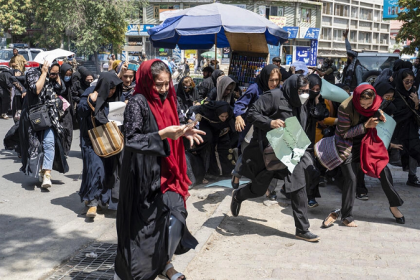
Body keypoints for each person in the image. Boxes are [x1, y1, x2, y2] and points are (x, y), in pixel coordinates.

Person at [114, 59, 204, 280]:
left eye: (167, 83)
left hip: (169, 171)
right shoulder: (138, 102)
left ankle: (164, 263)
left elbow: (178, 123)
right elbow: (132, 139)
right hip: (143, 176)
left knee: (176, 216)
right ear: (147, 81)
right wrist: (164, 134)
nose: (164, 89)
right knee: (142, 229)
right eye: (159, 85)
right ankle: (130, 272)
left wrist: (185, 132)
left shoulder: (171, 98)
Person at [231, 75, 320, 242]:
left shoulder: (302, 103)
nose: (305, 95)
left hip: (289, 148)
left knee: (298, 184)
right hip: (267, 151)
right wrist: (269, 122)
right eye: (301, 91)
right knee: (258, 189)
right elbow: (251, 113)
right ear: (293, 88)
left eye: (307, 92)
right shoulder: (273, 97)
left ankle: (302, 229)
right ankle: (238, 196)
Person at [318, 84, 404, 228]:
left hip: (368, 144)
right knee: (351, 179)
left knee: (383, 169)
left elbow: (373, 111)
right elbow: (343, 133)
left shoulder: (376, 102)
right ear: (357, 99)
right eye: (362, 104)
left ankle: (394, 206)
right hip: (347, 146)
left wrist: (378, 114)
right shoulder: (345, 107)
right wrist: (365, 126)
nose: (365, 107)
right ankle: (346, 216)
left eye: (368, 104)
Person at [231, 64, 281, 200]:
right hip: (252, 130)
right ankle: (236, 174)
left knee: (273, 158)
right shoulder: (255, 89)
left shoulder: (279, 91)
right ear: (265, 78)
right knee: (247, 154)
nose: (274, 83)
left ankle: (269, 189)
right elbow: (240, 104)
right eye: (271, 80)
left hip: (271, 129)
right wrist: (238, 116)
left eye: (277, 80)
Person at [77, 72, 123, 218]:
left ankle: (105, 200)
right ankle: (92, 203)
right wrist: (91, 101)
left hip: (111, 140)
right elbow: (80, 111)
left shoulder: (117, 96)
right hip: (92, 140)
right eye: (109, 88)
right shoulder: (90, 93)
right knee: (96, 170)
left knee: (110, 171)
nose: (111, 92)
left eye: (114, 89)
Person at [19, 61, 69, 188]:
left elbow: (61, 89)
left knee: (49, 143)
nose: (54, 75)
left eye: (57, 73)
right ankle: (40, 170)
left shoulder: (52, 77)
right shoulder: (32, 73)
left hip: (50, 116)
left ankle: (47, 174)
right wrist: (44, 73)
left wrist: (55, 76)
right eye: (53, 72)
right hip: (34, 116)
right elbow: (36, 89)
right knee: (36, 146)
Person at [187, 100, 235, 180]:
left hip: (221, 128)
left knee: (225, 146)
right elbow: (193, 109)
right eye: (222, 116)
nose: (224, 118)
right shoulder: (208, 109)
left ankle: (226, 171)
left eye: (225, 116)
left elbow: (230, 121)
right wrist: (193, 119)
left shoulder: (229, 111)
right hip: (207, 125)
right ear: (217, 113)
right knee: (208, 140)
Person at [304, 74, 329, 207]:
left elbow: (321, 114)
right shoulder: (301, 99)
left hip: (310, 142)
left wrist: (317, 101)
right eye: (312, 88)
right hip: (297, 139)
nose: (315, 91)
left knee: (311, 169)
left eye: (318, 89)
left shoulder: (318, 100)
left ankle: (311, 197)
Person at [392, 69, 420, 186]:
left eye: (411, 81)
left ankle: (412, 176)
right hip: (398, 129)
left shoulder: (413, 92)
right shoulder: (394, 94)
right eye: (406, 81)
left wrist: (417, 104)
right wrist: (411, 109)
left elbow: (417, 112)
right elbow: (396, 113)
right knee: (394, 155)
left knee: (415, 150)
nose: (409, 84)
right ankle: (382, 173)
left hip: (411, 128)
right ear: (400, 80)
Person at [59, 63, 75, 155]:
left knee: (68, 129)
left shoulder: (71, 83)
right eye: (66, 75)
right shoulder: (58, 82)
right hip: (59, 109)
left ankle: (66, 150)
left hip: (68, 109)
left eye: (70, 75)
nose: (68, 77)